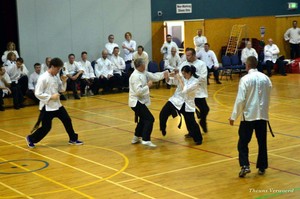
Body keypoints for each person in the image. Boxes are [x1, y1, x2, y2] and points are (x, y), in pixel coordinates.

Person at [25, 58, 83, 148]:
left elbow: (61, 90)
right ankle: (31, 138)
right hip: (47, 107)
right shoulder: (43, 78)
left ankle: (73, 138)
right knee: (46, 128)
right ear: (52, 67)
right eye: (57, 69)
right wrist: (51, 97)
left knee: (67, 120)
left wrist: (64, 81)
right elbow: (37, 93)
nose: (58, 71)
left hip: (57, 105)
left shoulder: (55, 76)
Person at [229, 56, 272, 177]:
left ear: (247, 65)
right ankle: (262, 166)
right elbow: (268, 96)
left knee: (243, 142)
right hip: (262, 116)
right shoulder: (266, 78)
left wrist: (233, 116)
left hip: (248, 116)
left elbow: (240, 99)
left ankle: (245, 165)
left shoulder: (245, 79)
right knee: (262, 142)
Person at [159, 65, 203, 145]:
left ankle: (198, 138)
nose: (183, 75)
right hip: (176, 100)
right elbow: (172, 81)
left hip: (187, 104)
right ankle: (163, 128)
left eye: (184, 73)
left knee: (191, 122)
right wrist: (167, 77)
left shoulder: (195, 82)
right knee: (163, 113)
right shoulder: (182, 77)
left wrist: (179, 78)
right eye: (182, 73)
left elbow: (185, 90)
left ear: (189, 73)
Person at [129, 58, 168, 147]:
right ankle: (146, 139)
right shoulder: (135, 76)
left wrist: (165, 74)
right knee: (149, 119)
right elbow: (138, 91)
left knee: (143, 119)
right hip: (136, 102)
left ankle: (136, 136)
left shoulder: (144, 72)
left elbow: (154, 76)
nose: (145, 65)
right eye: (144, 64)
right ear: (141, 65)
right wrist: (148, 86)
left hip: (141, 101)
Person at [181, 48, 209, 134]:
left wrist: (194, 78)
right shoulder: (184, 64)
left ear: (194, 55)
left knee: (205, 109)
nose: (187, 57)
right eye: (186, 55)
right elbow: (180, 75)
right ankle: (191, 131)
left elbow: (203, 77)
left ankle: (202, 120)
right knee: (189, 113)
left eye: (189, 55)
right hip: (189, 91)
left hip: (199, 91)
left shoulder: (201, 64)